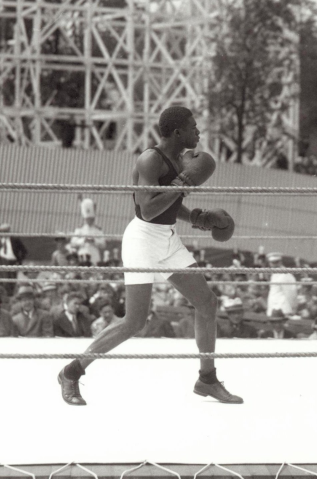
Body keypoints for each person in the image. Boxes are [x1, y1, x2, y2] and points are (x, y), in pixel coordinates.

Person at [57, 105, 242, 406]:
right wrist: (183, 184)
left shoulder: (178, 160)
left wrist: (196, 217)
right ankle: (71, 372)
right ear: (178, 131)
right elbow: (148, 207)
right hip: (142, 239)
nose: (198, 132)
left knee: (207, 302)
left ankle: (207, 378)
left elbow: (167, 206)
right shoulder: (150, 159)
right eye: (193, 127)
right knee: (134, 321)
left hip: (166, 237)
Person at [70, 197, 107, 267]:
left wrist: (94, 241)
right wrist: (83, 240)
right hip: (83, 254)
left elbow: (103, 244)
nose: (89, 220)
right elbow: (73, 242)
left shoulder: (98, 230)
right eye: (88, 219)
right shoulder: (79, 229)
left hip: (94, 255)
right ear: (85, 219)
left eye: (91, 219)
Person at [266, 252, 297, 317]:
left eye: (276, 262)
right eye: (272, 263)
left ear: (280, 262)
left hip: (283, 311)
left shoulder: (286, 275)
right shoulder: (274, 275)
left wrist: (290, 311)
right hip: (273, 309)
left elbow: (291, 294)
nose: (274, 265)